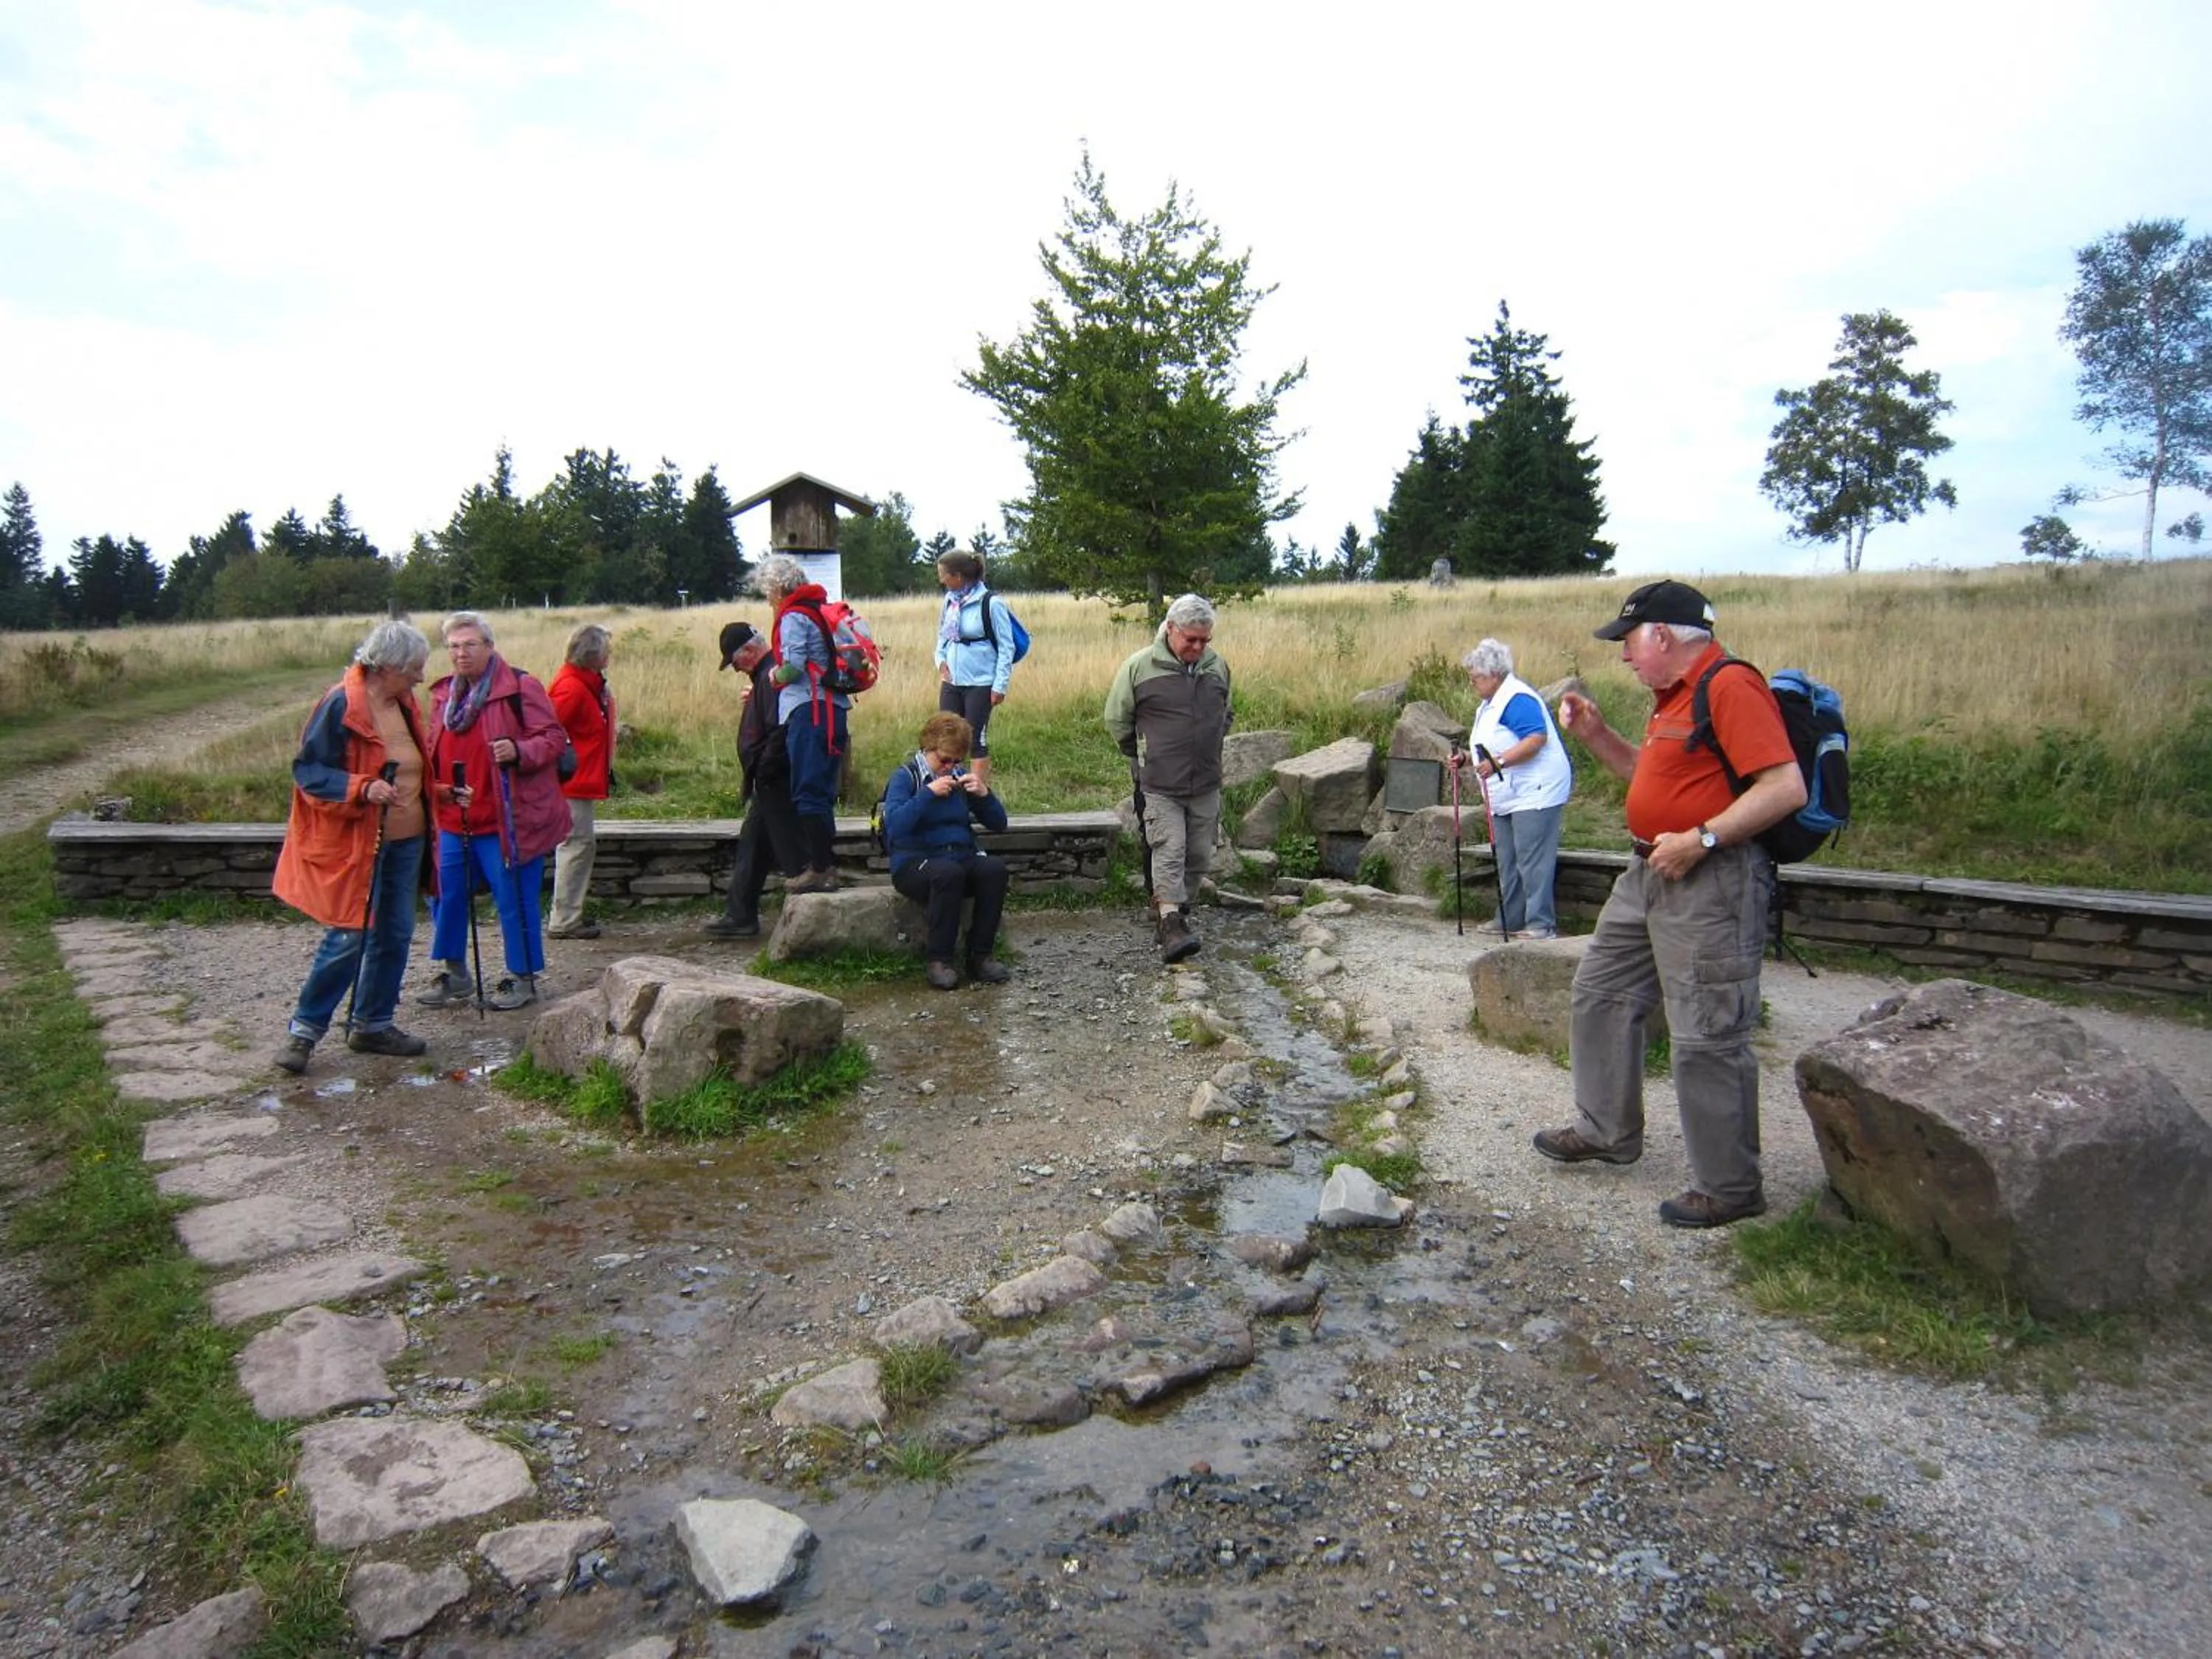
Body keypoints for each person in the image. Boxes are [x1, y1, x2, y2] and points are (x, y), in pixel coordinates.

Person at [1536, 580, 1807, 1230]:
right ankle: (1607, 1130)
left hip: (1709, 876)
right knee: (1600, 991)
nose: (1624, 656)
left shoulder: (1730, 686)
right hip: (1648, 869)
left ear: (1662, 635)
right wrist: (1599, 735)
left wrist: (1702, 838)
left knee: (1708, 1033)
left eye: (1628, 641)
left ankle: (1730, 1186)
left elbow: (1785, 786)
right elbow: (1651, 778)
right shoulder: (1671, 699)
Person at [270, 619, 437, 1074]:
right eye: (415, 668)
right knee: (350, 935)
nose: (421, 678)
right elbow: (309, 771)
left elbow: (412, 769)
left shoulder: (402, 704)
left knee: (396, 934)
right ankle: (303, 1033)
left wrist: (440, 792)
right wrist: (361, 788)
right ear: (388, 666)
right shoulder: (341, 704)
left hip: (406, 839)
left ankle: (372, 1024)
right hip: (358, 842)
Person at [418, 611, 573, 1012]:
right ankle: (455, 974)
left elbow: (554, 739)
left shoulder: (520, 688)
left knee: (515, 898)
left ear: (489, 646)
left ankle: (523, 978)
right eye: (453, 646)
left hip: (508, 819)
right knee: (446, 896)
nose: (460, 653)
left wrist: (519, 751)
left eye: (470, 644)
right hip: (453, 818)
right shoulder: (442, 695)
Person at [1103, 592, 1232, 965]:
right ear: (1171, 629)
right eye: (1190, 639)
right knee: (1169, 848)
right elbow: (1117, 719)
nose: (1197, 646)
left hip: (1206, 780)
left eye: (1204, 640)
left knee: (1199, 854)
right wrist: (1140, 755)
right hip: (1159, 781)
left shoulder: (1217, 667)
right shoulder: (1140, 667)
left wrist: (1210, 742)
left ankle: (1176, 908)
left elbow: (1226, 712)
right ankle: (1170, 923)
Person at [1451, 638, 1573, 940]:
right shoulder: (1490, 704)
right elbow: (1491, 746)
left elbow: (1536, 738)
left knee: (1532, 859)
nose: (1473, 683)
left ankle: (1541, 924)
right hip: (1507, 792)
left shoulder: (1517, 698)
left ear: (1493, 675)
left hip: (1536, 790)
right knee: (1508, 858)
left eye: (1476, 678)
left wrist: (1499, 763)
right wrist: (1466, 759)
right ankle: (1510, 917)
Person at [881, 712, 1012, 990]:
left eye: (956, 761)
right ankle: (939, 960)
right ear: (928, 748)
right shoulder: (906, 778)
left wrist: (984, 795)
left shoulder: (960, 777)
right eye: (944, 760)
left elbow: (999, 823)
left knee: (994, 871)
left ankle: (980, 956)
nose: (949, 767)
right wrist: (927, 795)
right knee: (948, 874)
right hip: (914, 861)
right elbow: (895, 827)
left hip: (959, 856)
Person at [703, 620, 804, 938]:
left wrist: (764, 769)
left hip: (776, 779)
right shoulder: (765, 674)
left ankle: (807, 921)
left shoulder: (771, 675)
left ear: (749, 650)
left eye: (734, 661)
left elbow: (781, 729)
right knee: (753, 846)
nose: (734, 669)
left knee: (792, 852)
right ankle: (740, 915)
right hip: (768, 779)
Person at [757, 555, 849, 894]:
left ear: (779, 587)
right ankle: (825, 865)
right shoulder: (817, 609)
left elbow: (793, 665)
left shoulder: (794, 616)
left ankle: (821, 869)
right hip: (832, 709)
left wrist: (773, 676)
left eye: (767, 590)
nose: (767, 598)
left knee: (809, 792)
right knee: (820, 792)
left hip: (810, 711)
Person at [547, 622, 616, 941]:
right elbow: (547, 731)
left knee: (578, 845)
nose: (610, 655)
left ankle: (568, 914)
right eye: (606, 650)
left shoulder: (582, 683)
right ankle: (564, 919)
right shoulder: (572, 688)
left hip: (577, 779)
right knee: (575, 846)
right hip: (571, 782)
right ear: (594, 654)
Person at [933, 549, 1016, 793]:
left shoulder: (991, 603)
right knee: (946, 734)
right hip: (952, 681)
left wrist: (1000, 685)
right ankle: (948, 790)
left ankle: (978, 796)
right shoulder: (949, 600)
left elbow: (1006, 646)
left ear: (958, 576)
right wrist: (940, 661)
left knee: (975, 737)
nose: (941, 581)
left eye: (944, 575)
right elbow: (942, 637)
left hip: (981, 682)